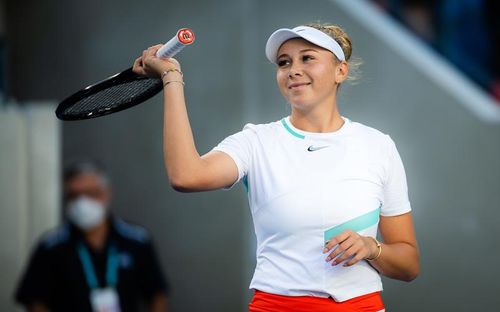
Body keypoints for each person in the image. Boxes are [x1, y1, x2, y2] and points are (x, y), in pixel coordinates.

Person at [134, 23, 419, 311]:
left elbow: (408, 265)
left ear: (340, 71)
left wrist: (373, 248)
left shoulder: (378, 145)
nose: (293, 69)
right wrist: (171, 77)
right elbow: (186, 176)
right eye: (284, 63)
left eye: (307, 58)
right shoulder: (255, 141)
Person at [15, 161, 170, 312]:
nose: (82, 202)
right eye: (74, 195)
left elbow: (157, 295)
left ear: (106, 193)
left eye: (91, 193)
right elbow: (33, 301)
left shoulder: (137, 240)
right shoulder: (51, 246)